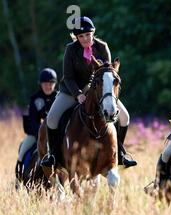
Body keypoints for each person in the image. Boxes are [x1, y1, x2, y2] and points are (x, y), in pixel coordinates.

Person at [40, 16, 136, 168]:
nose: (85, 39)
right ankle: (53, 155)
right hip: (71, 90)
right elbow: (68, 77)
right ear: (76, 37)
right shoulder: (71, 50)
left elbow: (108, 73)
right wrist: (78, 94)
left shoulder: (103, 47)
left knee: (125, 118)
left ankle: (121, 153)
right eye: (81, 36)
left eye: (87, 35)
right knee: (52, 119)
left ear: (93, 33)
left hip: (98, 90)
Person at [16, 68, 58, 182]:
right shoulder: (35, 99)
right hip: (36, 134)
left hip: (56, 135)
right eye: (45, 84)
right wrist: (41, 135)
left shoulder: (58, 98)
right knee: (22, 151)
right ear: (41, 84)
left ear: (54, 84)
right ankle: (19, 178)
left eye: (51, 83)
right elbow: (33, 120)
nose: (48, 86)